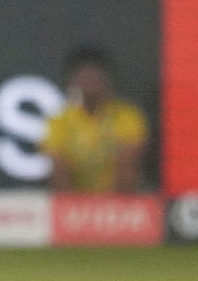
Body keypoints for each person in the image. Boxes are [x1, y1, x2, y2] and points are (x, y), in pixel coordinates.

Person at [39, 45, 149, 193]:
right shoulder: (59, 121)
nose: (90, 84)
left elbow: (129, 162)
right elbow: (57, 167)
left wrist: (113, 205)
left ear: (107, 80)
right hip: (76, 198)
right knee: (57, 167)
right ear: (73, 82)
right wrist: (74, 206)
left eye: (96, 78)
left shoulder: (127, 116)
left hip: (119, 197)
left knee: (128, 164)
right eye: (85, 78)